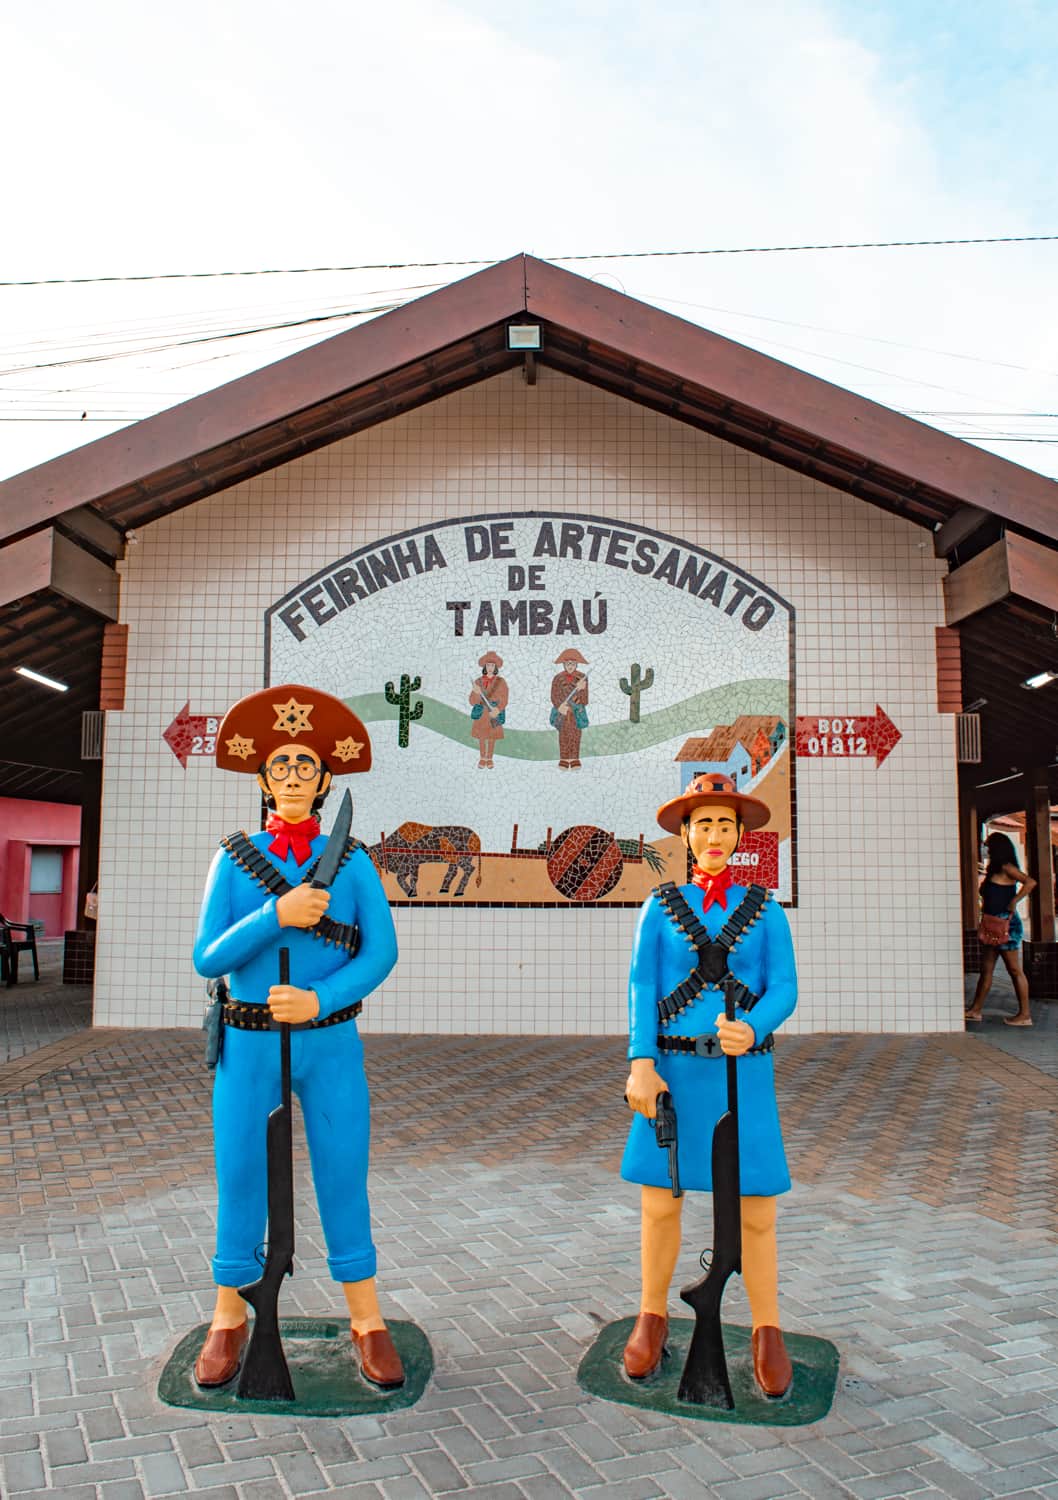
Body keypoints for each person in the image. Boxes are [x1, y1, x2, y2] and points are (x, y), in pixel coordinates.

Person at [192, 684, 405, 1390]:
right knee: (241, 1175)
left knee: (344, 1171)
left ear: (323, 782)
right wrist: (275, 914)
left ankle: (366, 1317)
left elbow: (380, 953)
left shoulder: (354, 861)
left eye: (304, 768)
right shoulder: (233, 859)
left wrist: (322, 997)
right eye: (279, 767)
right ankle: (228, 1314)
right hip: (249, 1041)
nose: (290, 779)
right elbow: (207, 957)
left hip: (331, 1041)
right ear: (261, 779)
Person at [621, 773, 797, 1398]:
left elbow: (785, 988)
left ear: (741, 835)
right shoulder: (661, 906)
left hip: (742, 1074)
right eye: (704, 825)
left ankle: (767, 1326)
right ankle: (651, 1311)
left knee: (755, 1208)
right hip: (675, 1070)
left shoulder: (766, 909)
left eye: (725, 824)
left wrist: (753, 1028)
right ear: (687, 837)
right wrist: (641, 1062)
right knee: (659, 1201)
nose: (714, 835)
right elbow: (644, 985)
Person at [965, 831, 1036, 1026]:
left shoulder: (1007, 867)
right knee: (986, 969)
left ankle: (1025, 1014)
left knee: (1014, 969)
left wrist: (1014, 901)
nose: (985, 849)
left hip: (1006, 925)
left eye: (988, 846)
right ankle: (976, 1010)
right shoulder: (994, 870)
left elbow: (1030, 882)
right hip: (991, 923)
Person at [469, 651, 509, 768]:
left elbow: (505, 698)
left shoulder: (501, 682)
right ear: (484, 667)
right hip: (482, 713)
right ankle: (482, 758)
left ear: (495, 667)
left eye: (492, 665)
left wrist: (498, 709)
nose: (490, 668)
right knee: (482, 737)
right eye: (488, 665)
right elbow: (472, 700)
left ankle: (490, 758)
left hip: (494, 712)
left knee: (492, 737)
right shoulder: (478, 682)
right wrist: (476, 693)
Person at [550, 648, 589, 769]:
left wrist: (581, 689)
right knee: (563, 736)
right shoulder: (557, 678)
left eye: (572, 663)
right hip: (563, 712)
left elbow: (585, 700)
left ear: (577, 664)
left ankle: (575, 758)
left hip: (576, 713)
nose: (570, 666)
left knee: (576, 735)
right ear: (563, 664)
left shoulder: (582, 678)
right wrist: (559, 706)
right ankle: (564, 759)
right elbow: (553, 695)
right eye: (568, 663)